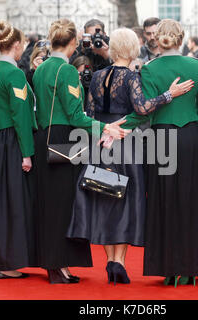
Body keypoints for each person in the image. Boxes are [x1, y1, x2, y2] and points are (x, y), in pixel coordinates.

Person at [116, 19, 198, 287]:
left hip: (160, 139)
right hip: (188, 139)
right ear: (181, 38)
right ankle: (188, 268)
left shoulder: (150, 69)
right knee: (190, 201)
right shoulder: (196, 66)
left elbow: (145, 108)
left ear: (159, 39)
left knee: (162, 201)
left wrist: (119, 125)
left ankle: (167, 267)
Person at [66, 28, 194, 285]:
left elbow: (89, 112)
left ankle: (111, 261)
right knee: (125, 201)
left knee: (103, 196)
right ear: (133, 48)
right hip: (126, 142)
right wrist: (170, 94)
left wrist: (102, 132)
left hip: (102, 142)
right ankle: (119, 262)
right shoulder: (131, 77)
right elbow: (143, 108)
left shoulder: (99, 74)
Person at [32, 19, 131, 285]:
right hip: (64, 139)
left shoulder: (41, 69)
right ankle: (56, 265)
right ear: (74, 42)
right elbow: (76, 115)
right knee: (64, 205)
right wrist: (105, 127)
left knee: (51, 204)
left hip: (45, 137)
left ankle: (58, 264)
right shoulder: (64, 71)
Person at [0, 21, 38, 279]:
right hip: (12, 141)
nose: (23, 49)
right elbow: (21, 115)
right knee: (12, 203)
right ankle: (6, 262)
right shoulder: (14, 74)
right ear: (15, 45)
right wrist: (27, 152)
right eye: (22, 45)